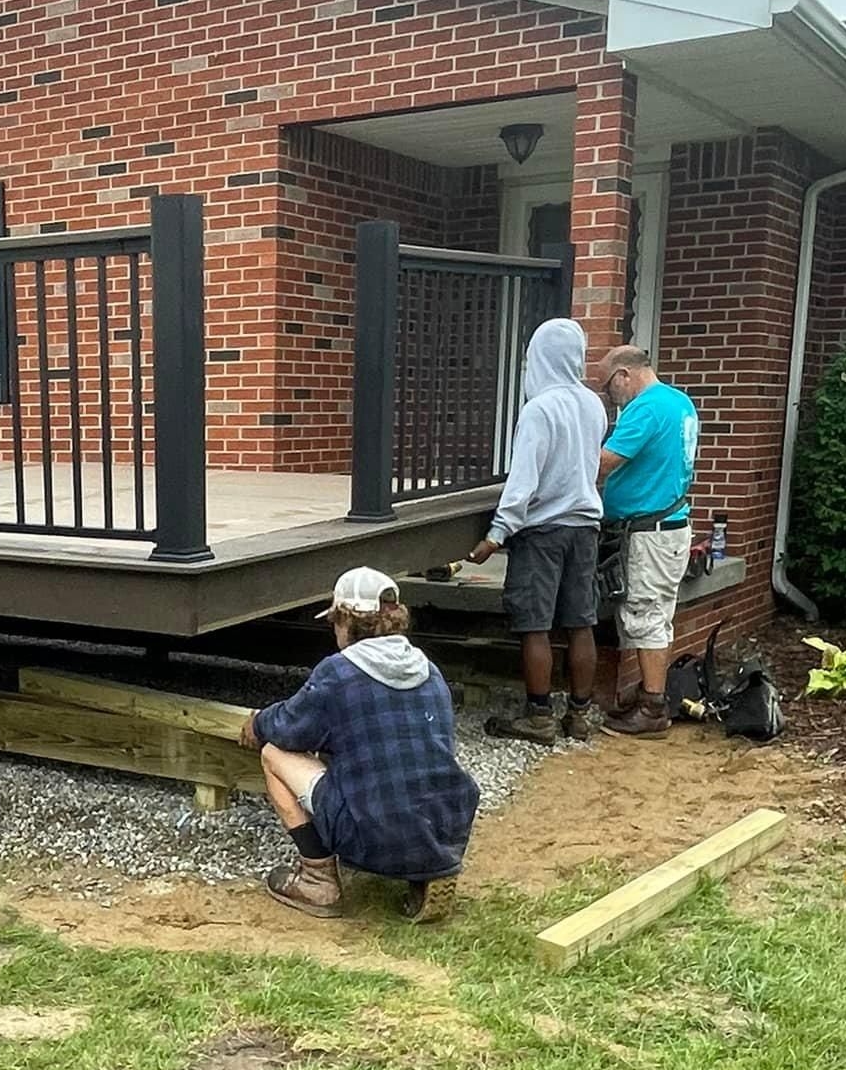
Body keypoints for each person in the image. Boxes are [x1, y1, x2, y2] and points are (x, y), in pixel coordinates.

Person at [240, 566, 479, 924]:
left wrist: (257, 723)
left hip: (374, 829)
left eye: (335, 621)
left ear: (347, 621)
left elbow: (289, 727)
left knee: (274, 753)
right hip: (446, 822)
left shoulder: (338, 673)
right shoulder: (428, 670)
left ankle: (317, 879)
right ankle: (427, 868)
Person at [467, 317, 608, 745]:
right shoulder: (593, 405)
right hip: (585, 528)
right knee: (581, 623)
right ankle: (580, 715)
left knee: (536, 626)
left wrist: (496, 534)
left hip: (543, 530)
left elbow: (523, 481)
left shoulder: (539, 409)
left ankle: (540, 715)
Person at [595, 346, 700, 738]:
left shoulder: (646, 408)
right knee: (657, 613)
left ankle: (653, 708)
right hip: (669, 526)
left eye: (608, 387)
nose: (609, 396)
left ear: (624, 374)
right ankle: (648, 696)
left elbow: (605, 461)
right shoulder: (679, 401)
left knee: (646, 613)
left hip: (650, 533)